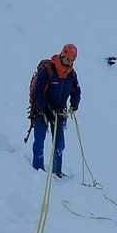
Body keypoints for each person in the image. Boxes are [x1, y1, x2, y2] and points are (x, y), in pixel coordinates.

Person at [30, 43, 81, 177]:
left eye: (72, 60)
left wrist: (75, 102)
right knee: (39, 140)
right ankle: (37, 169)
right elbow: (38, 93)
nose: (69, 63)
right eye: (68, 59)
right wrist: (45, 110)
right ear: (62, 55)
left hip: (59, 112)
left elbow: (76, 90)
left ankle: (57, 171)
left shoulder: (71, 74)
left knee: (59, 143)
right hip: (41, 111)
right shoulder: (47, 71)